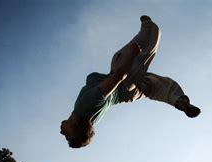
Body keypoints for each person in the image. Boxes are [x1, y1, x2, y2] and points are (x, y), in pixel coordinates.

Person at [61, 16, 201, 148]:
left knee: (156, 87)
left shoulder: (90, 120)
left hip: (130, 94)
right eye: (67, 136)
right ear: (75, 125)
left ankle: (178, 100)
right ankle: (148, 25)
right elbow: (118, 77)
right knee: (146, 41)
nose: (62, 134)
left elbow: (83, 130)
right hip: (124, 80)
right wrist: (131, 56)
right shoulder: (86, 105)